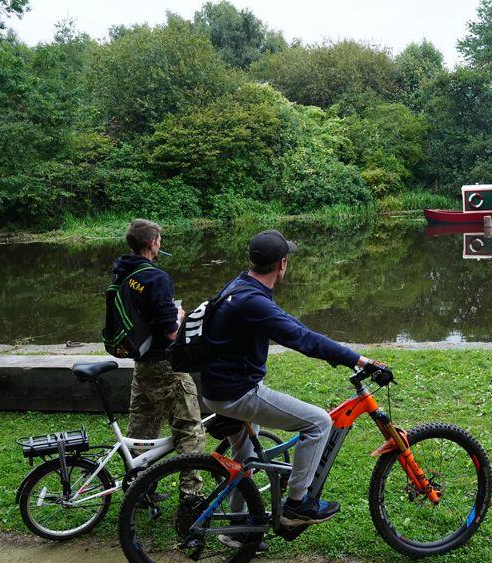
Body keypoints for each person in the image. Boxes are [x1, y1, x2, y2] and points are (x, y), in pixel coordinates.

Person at [199, 229, 383, 541]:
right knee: (318, 422)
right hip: (237, 393)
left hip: (216, 389)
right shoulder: (253, 302)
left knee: (246, 458)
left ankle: (236, 529)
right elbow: (303, 339)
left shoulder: (242, 285)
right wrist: (360, 360)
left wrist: (343, 356)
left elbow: (291, 325)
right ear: (282, 264)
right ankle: (297, 506)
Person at [113, 219, 206, 497]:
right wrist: (179, 316)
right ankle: (192, 497)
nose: (160, 243)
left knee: (141, 430)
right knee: (190, 430)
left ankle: (138, 489)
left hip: (142, 364)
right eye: (159, 239)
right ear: (153, 243)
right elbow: (170, 332)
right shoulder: (157, 278)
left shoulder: (123, 273)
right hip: (166, 366)